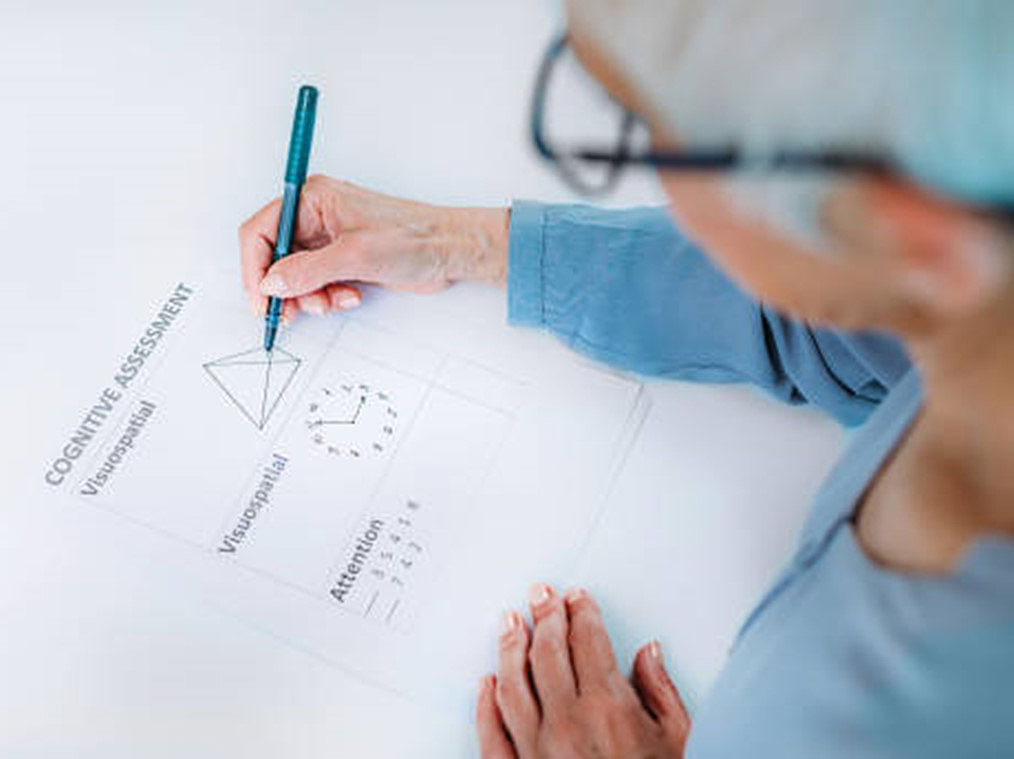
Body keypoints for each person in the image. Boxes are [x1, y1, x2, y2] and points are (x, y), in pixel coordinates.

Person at [238, 1, 1014, 756]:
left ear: (904, 229)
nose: (655, 166)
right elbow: (847, 314)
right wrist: (454, 242)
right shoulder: (970, 304)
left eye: (651, 128)